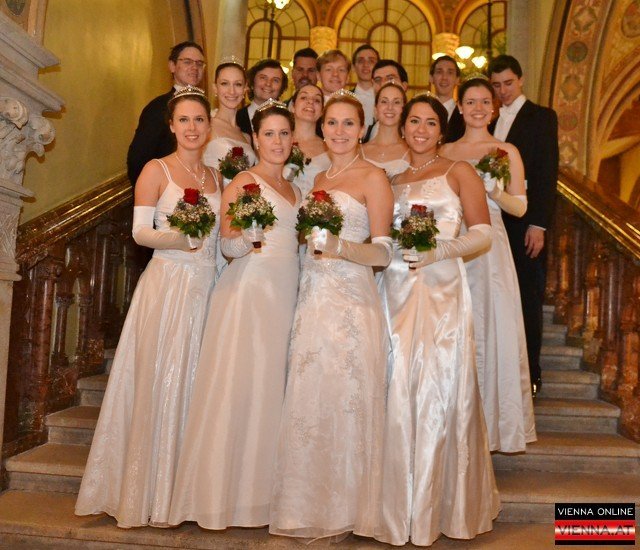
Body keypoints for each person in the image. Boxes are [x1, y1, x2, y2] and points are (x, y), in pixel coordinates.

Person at [76, 87, 221, 528]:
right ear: (172, 126)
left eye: (199, 120)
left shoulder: (219, 179)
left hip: (208, 288)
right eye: (184, 120)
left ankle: (185, 494)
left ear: (209, 127)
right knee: (161, 379)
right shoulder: (156, 170)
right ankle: (147, 494)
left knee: (200, 385)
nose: (192, 127)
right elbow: (141, 232)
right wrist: (182, 239)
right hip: (168, 285)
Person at [168, 101, 301, 530]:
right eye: (269, 134)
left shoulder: (297, 190)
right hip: (248, 291)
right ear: (255, 139)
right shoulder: (244, 182)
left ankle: (260, 497)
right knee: (241, 386)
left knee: (272, 388)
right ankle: (219, 497)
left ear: (293, 139)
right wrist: (250, 237)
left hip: (286, 290)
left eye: (284, 133)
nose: (277, 141)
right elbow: (226, 245)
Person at [375, 94, 500, 546]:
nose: (421, 129)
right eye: (414, 121)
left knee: (436, 388)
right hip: (393, 289)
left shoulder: (459, 171)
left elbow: (482, 234)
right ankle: (393, 507)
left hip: (441, 289)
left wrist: (439, 250)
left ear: (442, 130)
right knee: (395, 383)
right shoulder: (390, 179)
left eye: (430, 122)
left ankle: (437, 506)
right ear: (403, 126)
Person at [270, 90, 394, 542]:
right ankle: (307, 504)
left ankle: (349, 507)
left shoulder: (374, 177)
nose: (339, 131)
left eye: (348, 123)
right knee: (311, 397)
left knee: (346, 395)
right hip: (313, 297)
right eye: (332, 123)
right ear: (321, 129)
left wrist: (340, 247)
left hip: (351, 301)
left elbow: (383, 253)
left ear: (362, 130)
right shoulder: (318, 177)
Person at [440, 77, 536, 453]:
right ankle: (451, 424)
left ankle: (492, 427)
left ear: (494, 109)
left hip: (490, 248)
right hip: (452, 242)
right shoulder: (446, 150)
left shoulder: (506, 150)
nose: (478, 108)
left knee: (491, 327)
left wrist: (494, 191)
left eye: (485, 102)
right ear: (460, 107)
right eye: (471, 102)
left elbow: (521, 207)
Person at [488, 54, 559, 396]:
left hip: (524, 220)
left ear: (521, 80)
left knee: (528, 296)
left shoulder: (541, 117)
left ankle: (531, 371)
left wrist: (539, 225)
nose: (502, 91)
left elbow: (547, 173)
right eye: (496, 85)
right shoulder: (486, 118)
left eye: (508, 83)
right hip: (490, 217)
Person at [127, 41, 205, 186]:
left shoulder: (204, 107)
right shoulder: (158, 107)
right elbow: (137, 160)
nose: (195, 67)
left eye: (199, 63)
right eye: (187, 62)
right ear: (172, 66)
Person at [203, 59, 256, 187]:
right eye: (224, 83)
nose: (232, 91)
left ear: (245, 88)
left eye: (238, 84)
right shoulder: (206, 126)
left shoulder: (246, 136)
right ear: (215, 88)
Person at [361, 82, 409, 178]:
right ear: (375, 109)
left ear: (404, 110)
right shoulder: (359, 150)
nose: (390, 107)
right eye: (384, 101)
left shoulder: (411, 151)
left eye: (396, 102)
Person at [288, 83, 328, 197]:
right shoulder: (280, 141)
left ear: (322, 111)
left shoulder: (330, 148)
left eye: (317, 100)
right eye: (304, 97)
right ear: (293, 107)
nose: (310, 102)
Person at [236, 59, 288, 135]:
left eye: (275, 80)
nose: (268, 84)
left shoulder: (287, 120)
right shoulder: (235, 119)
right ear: (252, 83)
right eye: (263, 78)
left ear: (281, 88)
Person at [365, 59, 409, 142]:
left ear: (404, 86)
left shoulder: (413, 129)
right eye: (378, 80)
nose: (383, 84)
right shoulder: (371, 128)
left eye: (390, 79)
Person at [430, 55, 465, 142]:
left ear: (457, 79)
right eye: (439, 72)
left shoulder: (465, 116)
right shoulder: (422, 111)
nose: (444, 78)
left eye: (450, 73)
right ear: (431, 78)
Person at [351, 44, 380, 128]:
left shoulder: (384, 99)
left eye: (371, 61)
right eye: (361, 61)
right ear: (353, 67)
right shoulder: (345, 97)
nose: (366, 65)